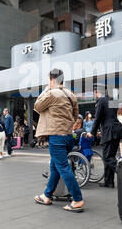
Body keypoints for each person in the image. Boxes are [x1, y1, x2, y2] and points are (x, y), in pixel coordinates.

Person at [33, 69, 84, 212]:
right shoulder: (71, 94)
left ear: (51, 80)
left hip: (56, 136)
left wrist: (45, 90)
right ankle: (47, 195)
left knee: (63, 168)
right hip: (68, 136)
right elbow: (75, 116)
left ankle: (78, 199)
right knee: (55, 167)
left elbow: (37, 106)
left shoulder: (51, 93)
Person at [87, 83, 122, 188]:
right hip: (115, 129)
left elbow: (98, 118)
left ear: (96, 92)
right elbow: (108, 117)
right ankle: (109, 182)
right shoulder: (110, 99)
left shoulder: (101, 100)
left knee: (108, 157)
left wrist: (92, 132)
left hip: (110, 131)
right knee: (109, 156)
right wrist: (100, 130)